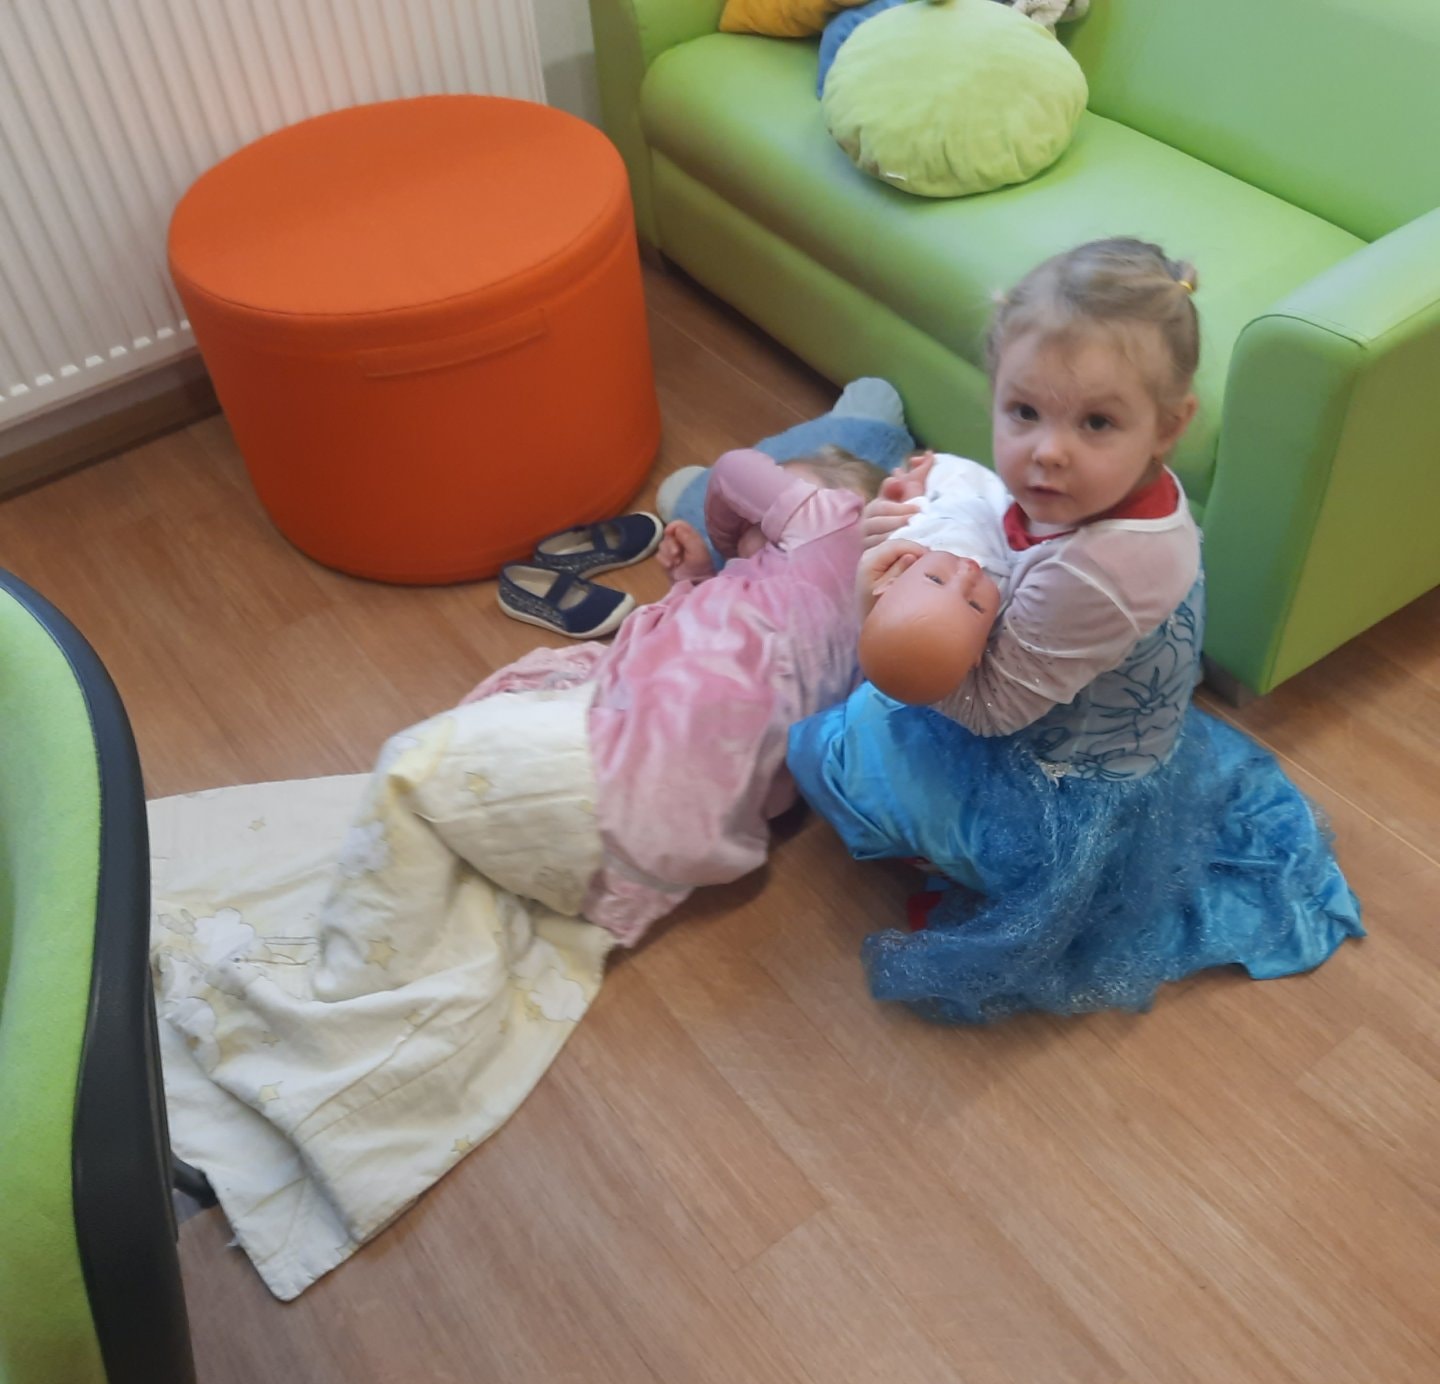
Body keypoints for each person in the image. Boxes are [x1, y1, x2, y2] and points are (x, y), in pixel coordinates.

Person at [788, 237, 1364, 1024]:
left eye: (1096, 422)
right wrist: (931, 507)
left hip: (1057, 780)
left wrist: (878, 609)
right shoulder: (1103, 494)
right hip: (1079, 704)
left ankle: (955, 860)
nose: (1047, 454)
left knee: (841, 751)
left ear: (1168, 426)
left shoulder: (1104, 568)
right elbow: (1005, 518)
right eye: (1023, 412)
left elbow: (989, 711)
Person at [460, 444, 886, 946]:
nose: (756, 522)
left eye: (765, 513)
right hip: (697, 828)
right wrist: (697, 578)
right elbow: (754, 662)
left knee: (515, 726)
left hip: (640, 757)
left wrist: (728, 536)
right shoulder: (865, 636)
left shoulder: (836, 522)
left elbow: (733, 469)